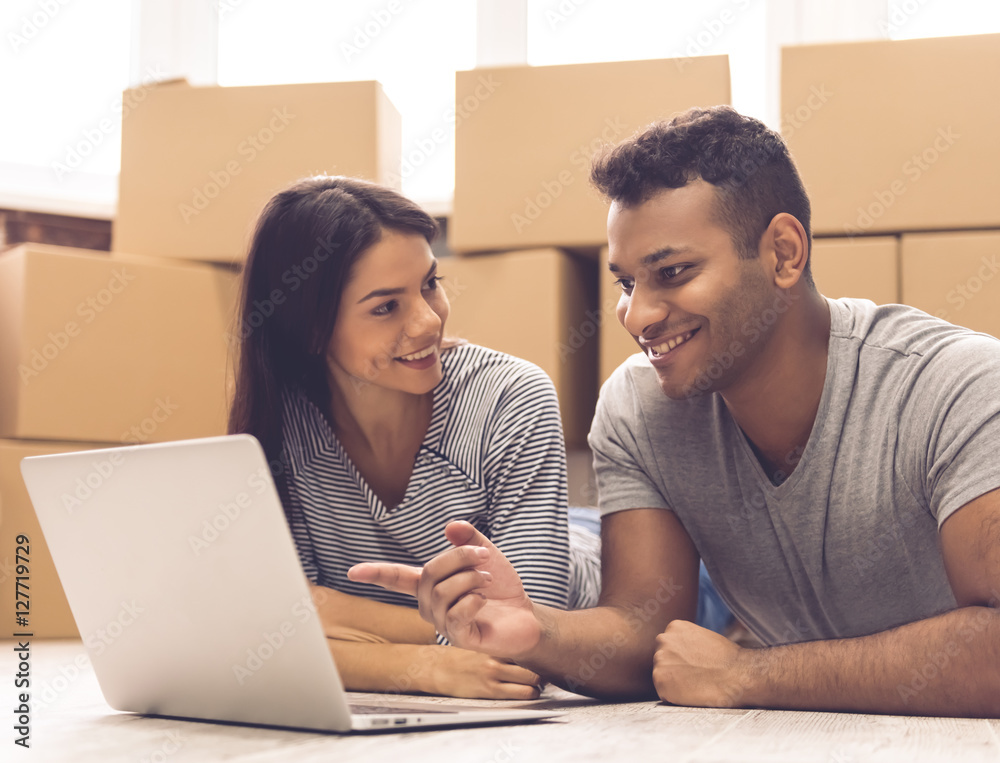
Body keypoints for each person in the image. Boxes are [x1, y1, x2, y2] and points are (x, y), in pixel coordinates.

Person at [349, 106, 1000, 717]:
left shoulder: (956, 387)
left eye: (673, 272)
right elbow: (644, 635)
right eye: (626, 282)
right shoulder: (639, 406)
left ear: (783, 253)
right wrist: (533, 629)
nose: (637, 314)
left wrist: (751, 673)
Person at [227, 175, 601, 700]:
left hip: (590, 568)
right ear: (309, 328)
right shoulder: (284, 425)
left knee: (713, 591)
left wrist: (339, 617)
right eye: (386, 306)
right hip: (472, 596)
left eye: (429, 283)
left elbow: (518, 643)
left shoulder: (512, 396)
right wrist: (429, 665)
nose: (428, 321)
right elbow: (280, 633)